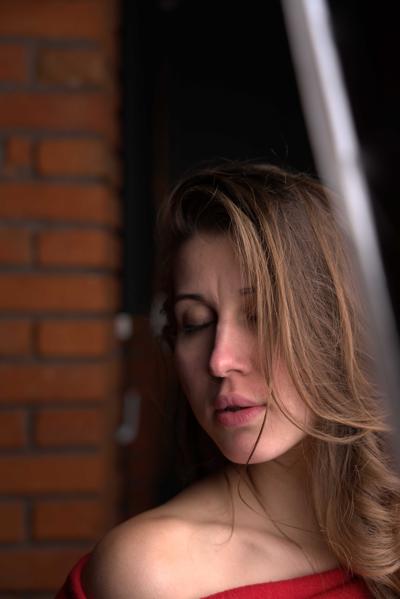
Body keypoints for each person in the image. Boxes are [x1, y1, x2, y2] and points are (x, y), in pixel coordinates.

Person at [55, 161, 400, 598]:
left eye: (260, 316)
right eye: (195, 323)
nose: (219, 361)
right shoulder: (154, 572)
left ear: (338, 327)